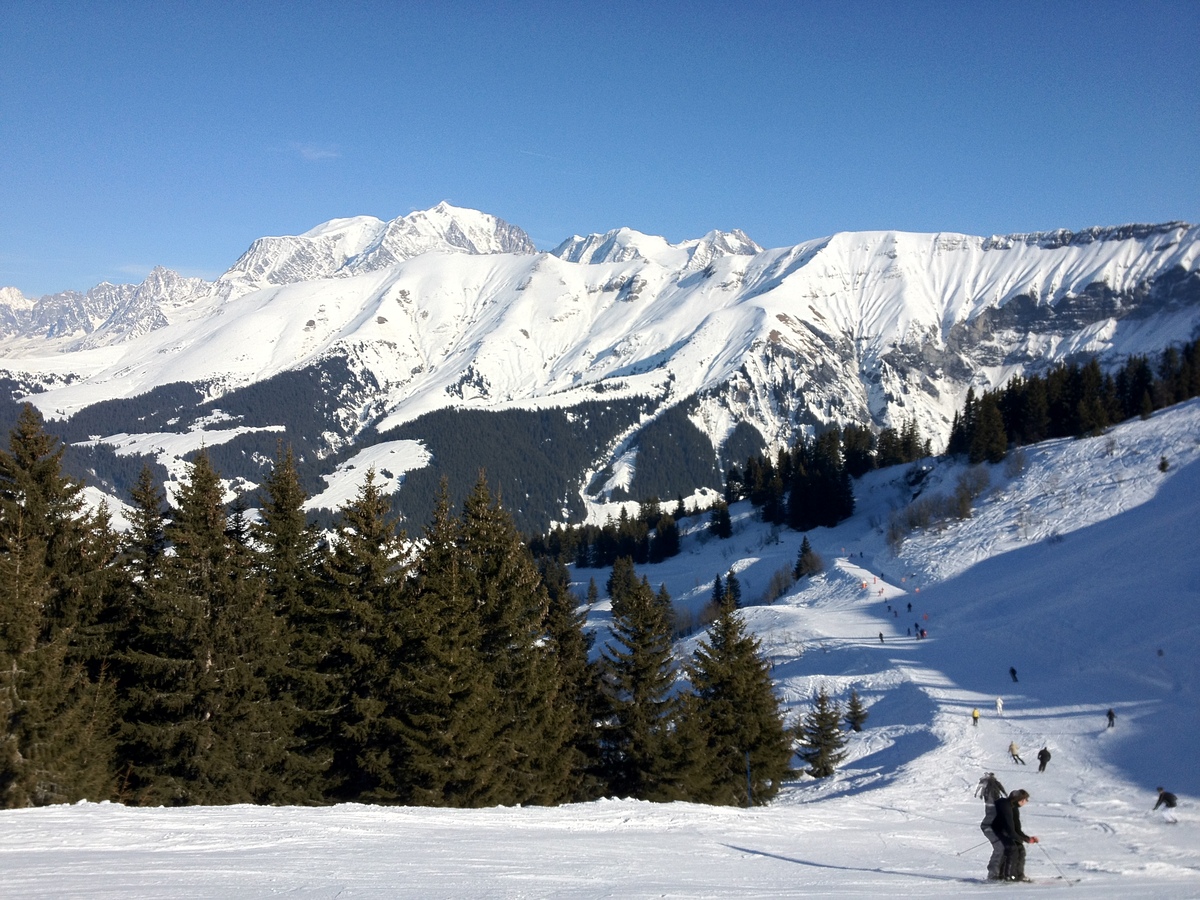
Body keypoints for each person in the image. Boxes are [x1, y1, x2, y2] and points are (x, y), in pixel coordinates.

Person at [992, 788, 1039, 881]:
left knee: (1020, 849)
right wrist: (1024, 839)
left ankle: (1018, 875)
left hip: (1005, 832)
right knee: (1012, 849)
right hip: (998, 831)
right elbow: (1009, 829)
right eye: (1026, 800)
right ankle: (1008, 877)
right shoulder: (1005, 806)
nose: (1026, 802)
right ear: (1021, 800)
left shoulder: (1013, 808)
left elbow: (1016, 829)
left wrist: (1026, 838)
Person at [976, 773, 1009, 880]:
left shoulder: (995, 799)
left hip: (993, 826)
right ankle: (993, 873)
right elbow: (992, 813)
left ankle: (1001, 872)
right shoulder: (990, 796)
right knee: (1000, 848)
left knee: (1005, 847)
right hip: (989, 826)